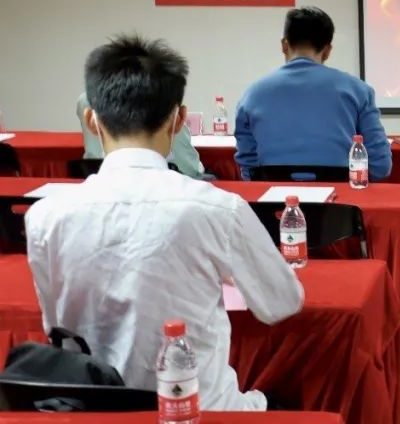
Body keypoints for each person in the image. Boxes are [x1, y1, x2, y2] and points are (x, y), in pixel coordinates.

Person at [26, 36, 303, 410]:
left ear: (91, 120)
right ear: (179, 120)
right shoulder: (219, 209)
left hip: (92, 409)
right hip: (200, 409)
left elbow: (55, 326)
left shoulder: (45, 216)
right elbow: (281, 303)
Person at [235, 6, 391, 180]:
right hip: (343, 196)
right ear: (327, 50)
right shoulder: (358, 90)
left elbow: (248, 168)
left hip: (272, 195)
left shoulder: (252, 95)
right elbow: (380, 166)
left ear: (284, 45)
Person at [76, 91, 206, 179]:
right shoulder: (160, 95)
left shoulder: (89, 99)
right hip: (174, 178)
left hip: (103, 177)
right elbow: (188, 168)